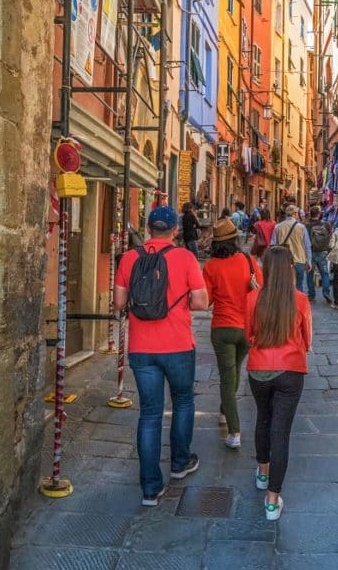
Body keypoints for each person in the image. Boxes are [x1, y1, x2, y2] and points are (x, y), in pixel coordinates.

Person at [114, 205, 208, 506]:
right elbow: (201, 301)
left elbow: (118, 302)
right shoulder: (185, 257)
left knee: (150, 414)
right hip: (178, 344)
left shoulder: (129, 258)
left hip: (142, 348)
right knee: (182, 401)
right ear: (175, 230)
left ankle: (150, 488)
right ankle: (180, 462)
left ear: (148, 229)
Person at [245, 246, 312, 521]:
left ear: (267, 270)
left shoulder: (252, 298)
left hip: (259, 368)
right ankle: (272, 501)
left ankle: (262, 472)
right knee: (280, 431)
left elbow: (248, 334)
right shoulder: (300, 300)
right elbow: (307, 339)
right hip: (290, 369)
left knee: (263, 418)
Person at [203, 217, 262, 449]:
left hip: (222, 328)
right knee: (235, 371)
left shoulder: (210, 267)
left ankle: (234, 431)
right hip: (247, 327)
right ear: (235, 239)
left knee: (228, 378)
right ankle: (224, 409)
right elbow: (262, 288)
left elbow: (206, 300)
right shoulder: (248, 261)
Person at [270, 204, 312, 293]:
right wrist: (309, 261)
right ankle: (298, 305)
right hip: (299, 260)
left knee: (283, 286)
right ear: (295, 214)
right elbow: (307, 246)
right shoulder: (302, 227)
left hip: (283, 261)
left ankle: (285, 304)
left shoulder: (278, 227)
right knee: (299, 285)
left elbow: (272, 245)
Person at [305, 205, 333, 305]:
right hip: (322, 252)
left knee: (309, 274)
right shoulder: (326, 225)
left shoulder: (307, 226)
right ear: (319, 215)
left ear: (310, 215)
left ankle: (311, 294)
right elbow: (330, 236)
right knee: (325, 273)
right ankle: (326, 292)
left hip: (310, 253)